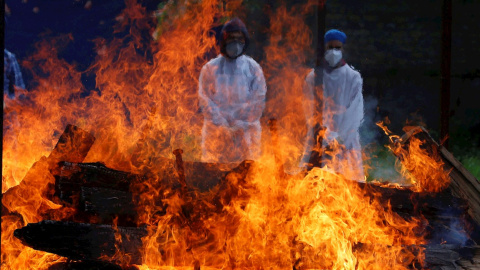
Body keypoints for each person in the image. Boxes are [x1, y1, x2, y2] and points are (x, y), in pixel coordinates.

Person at [198, 18, 267, 163]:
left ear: (245, 40)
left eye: (239, 38)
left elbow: (258, 101)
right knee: (215, 178)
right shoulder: (210, 69)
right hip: (216, 136)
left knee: (247, 180)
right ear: (223, 40)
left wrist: (240, 126)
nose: (235, 42)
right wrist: (223, 126)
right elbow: (205, 100)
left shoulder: (253, 68)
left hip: (246, 136)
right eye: (231, 38)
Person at [302, 29, 364, 180]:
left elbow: (355, 113)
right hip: (319, 142)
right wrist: (325, 136)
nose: (334, 52)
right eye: (330, 47)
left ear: (343, 49)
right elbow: (309, 109)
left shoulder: (353, 77)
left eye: (338, 48)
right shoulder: (313, 77)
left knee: (350, 188)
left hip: (345, 143)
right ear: (323, 49)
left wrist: (339, 139)